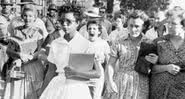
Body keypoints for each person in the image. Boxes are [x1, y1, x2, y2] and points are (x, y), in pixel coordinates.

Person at [39, 4, 101, 99]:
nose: (64, 24)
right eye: (61, 21)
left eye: (68, 21)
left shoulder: (86, 45)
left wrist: (76, 73)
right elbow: (50, 72)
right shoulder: (55, 43)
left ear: (77, 22)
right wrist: (41, 93)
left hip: (77, 89)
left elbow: (97, 73)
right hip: (56, 88)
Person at [103, 10, 151, 99]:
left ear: (143, 26)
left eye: (137, 26)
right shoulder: (119, 42)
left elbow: (153, 67)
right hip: (121, 82)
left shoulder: (149, 43)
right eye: (131, 25)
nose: (133, 29)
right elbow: (110, 64)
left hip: (141, 85)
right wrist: (110, 81)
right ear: (127, 25)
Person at [4, 4, 45, 99]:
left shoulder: (38, 32)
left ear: (35, 17)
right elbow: (9, 50)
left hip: (33, 67)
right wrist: (18, 54)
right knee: (17, 94)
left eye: (30, 16)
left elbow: (40, 52)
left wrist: (26, 59)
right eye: (25, 15)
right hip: (17, 67)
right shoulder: (16, 31)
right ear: (22, 16)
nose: (27, 18)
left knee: (31, 93)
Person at [149, 10, 185, 99]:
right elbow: (148, 68)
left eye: (173, 23)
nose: (169, 26)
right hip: (160, 91)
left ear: (183, 25)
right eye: (168, 22)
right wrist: (166, 67)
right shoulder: (158, 42)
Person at [85, 20, 110, 99]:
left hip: (97, 74)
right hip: (84, 74)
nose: (91, 30)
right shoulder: (83, 43)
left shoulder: (103, 43)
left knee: (96, 96)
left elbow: (109, 61)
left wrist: (108, 77)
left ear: (99, 32)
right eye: (89, 29)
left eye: (94, 29)